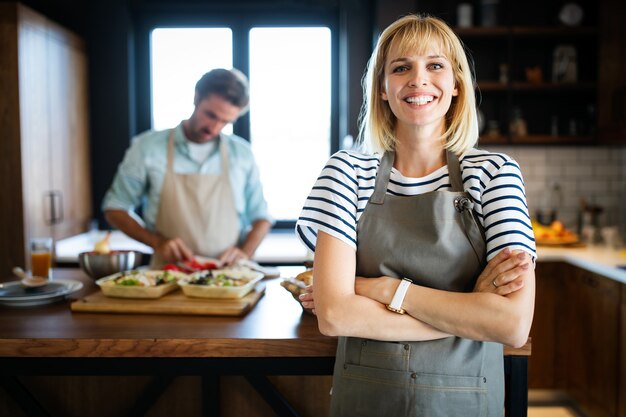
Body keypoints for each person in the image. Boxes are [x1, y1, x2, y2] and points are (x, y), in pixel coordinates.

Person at [296, 14, 536, 416]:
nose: (418, 79)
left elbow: (511, 324)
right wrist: (470, 313)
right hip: (368, 401)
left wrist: (382, 290)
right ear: (383, 90)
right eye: (401, 67)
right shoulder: (345, 173)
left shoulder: (496, 173)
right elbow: (336, 316)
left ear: (456, 84)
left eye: (435, 65)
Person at [103, 68, 272, 268]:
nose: (215, 127)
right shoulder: (147, 148)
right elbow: (115, 208)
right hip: (168, 276)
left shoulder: (242, 154)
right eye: (210, 115)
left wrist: (244, 253)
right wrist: (157, 242)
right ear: (196, 97)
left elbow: (261, 217)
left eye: (225, 122)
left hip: (229, 278)